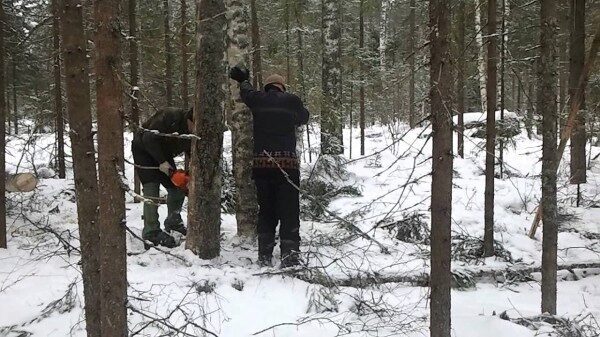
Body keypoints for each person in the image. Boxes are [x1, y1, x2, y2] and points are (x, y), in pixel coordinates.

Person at [229, 65, 310, 267]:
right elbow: (304, 118)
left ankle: (264, 255)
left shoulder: (258, 100)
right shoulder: (292, 101)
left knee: (266, 210)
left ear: (267, 87)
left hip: (262, 167)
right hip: (287, 168)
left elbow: (246, 91)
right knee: (289, 211)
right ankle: (289, 256)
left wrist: (243, 79)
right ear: (282, 87)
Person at [131, 107, 193, 248]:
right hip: (143, 149)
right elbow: (148, 138)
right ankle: (151, 232)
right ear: (189, 119)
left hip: (163, 153)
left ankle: (173, 222)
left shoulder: (191, 132)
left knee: (177, 187)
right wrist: (163, 163)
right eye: (193, 125)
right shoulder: (171, 116)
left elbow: (191, 151)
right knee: (151, 188)